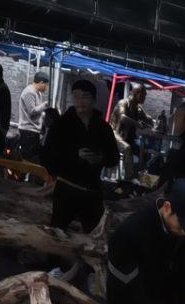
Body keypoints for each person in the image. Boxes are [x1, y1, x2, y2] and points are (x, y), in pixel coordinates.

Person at [42, 77, 118, 232]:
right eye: (76, 96)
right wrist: (74, 155)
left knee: (93, 238)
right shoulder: (62, 124)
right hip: (66, 189)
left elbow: (113, 157)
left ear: (94, 99)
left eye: (85, 96)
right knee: (57, 236)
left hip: (92, 192)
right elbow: (47, 155)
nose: (80, 101)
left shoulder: (103, 127)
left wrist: (100, 158)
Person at [110, 81, 146, 179]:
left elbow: (147, 118)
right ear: (137, 94)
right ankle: (129, 179)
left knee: (144, 151)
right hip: (114, 134)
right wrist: (138, 124)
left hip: (127, 137)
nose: (145, 97)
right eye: (144, 95)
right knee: (127, 148)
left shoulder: (138, 108)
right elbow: (123, 117)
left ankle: (139, 176)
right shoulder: (123, 103)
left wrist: (156, 124)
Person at [16, 72, 50, 145]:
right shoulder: (29, 92)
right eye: (46, 85)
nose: (47, 88)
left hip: (33, 130)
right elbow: (32, 111)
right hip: (28, 130)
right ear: (41, 83)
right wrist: (45, 104)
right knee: (28, 155)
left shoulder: (38, 93)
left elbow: (38, 110)